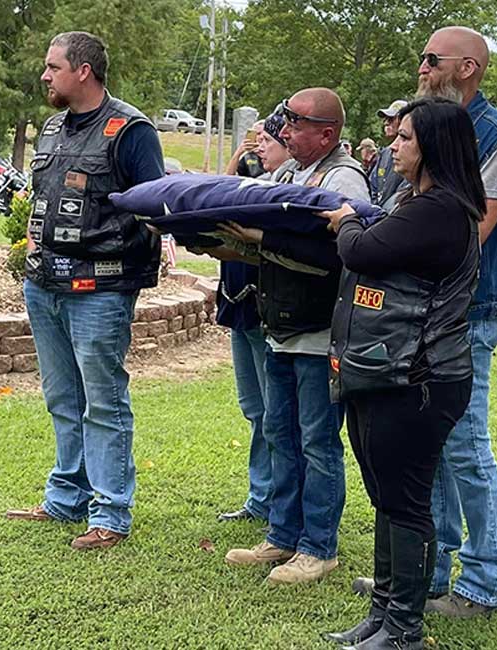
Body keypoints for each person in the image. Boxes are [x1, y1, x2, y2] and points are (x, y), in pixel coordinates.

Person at [348, 26, 497, 618]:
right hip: (411, 319)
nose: (421, 67)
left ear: (468, 67)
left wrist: (377, 244)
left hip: (464, 313)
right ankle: (425, 571)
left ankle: (485, 581)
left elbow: (468, 233)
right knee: (433, 451)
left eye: (432, 59)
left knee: (466, 447)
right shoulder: (423, 124)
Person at [320, 97, 483, 650]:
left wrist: (344, 221)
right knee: (388, 498)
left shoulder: (438, 209)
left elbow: (362, 251)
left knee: (405, 501)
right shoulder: (414, 201)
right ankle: (382, 616)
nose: (394, 144)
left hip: (417, 379)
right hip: (385, 372)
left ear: (433, 146)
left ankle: (404, 630)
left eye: (405, 137)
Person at [5, 32, 165, 549]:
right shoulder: (51, 129)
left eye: (53, 67)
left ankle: (111, 513)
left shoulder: (130, 130)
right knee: (61, 396)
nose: (45, 76)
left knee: (103, 400)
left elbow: (155, 206)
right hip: (43, 284)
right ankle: (66, 498)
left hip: (101, 288)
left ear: (84, 72)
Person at [222, 88, 369, 585]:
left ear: (327, 133)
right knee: (279, 433)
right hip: (280, 328)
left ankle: (319, 547)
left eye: (294, 122)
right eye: (282, 120)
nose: (282, 130)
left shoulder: (345, 178)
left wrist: (262, 238)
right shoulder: (288, 173)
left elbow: (345, 251)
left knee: (318, 441)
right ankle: (282, 536)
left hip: (319, 331)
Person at [214, 112, 293, 523]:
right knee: (254, 408)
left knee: (275, 411)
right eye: (257, 139)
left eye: (268, 140)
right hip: (238, 303)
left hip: (266, 309)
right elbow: (224, 188)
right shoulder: (254, 181)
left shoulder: (288, 188)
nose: (259, 146)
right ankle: (261, 496)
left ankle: (277, 499)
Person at [370, 100, 409, 211]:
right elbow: (372, 185)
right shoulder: (384, 154)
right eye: (385, 119)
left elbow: (406, 191)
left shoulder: (414, 153)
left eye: (391, 119)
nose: (386, 123)